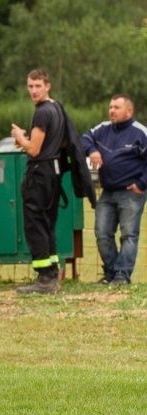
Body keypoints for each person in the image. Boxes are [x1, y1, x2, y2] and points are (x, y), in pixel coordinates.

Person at [81, 94, 147, 285]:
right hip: (107, 192)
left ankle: (122, 275)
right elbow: (84, 138)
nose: (112, 111)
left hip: (131, 192)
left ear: (129, 110)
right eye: (110, 107)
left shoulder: (140, 133)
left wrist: (142, 184)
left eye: (117, 108)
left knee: (129, 235)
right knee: (102, 233)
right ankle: (111, 273)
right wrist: (92, 151)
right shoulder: (102, 129)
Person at [11, 69, 66, 294]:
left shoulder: (42, 112)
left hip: (40, 173)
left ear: (47, 86)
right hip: (54, 171)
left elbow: (34, 149)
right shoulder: (57, 108)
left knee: (35, 225)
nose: (34, 91)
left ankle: (44, 279)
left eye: (38, 86)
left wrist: (20, 138)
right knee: (47, 223)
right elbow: (61, 142)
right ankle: (52, 273)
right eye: (30, 86)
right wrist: (28, 141)